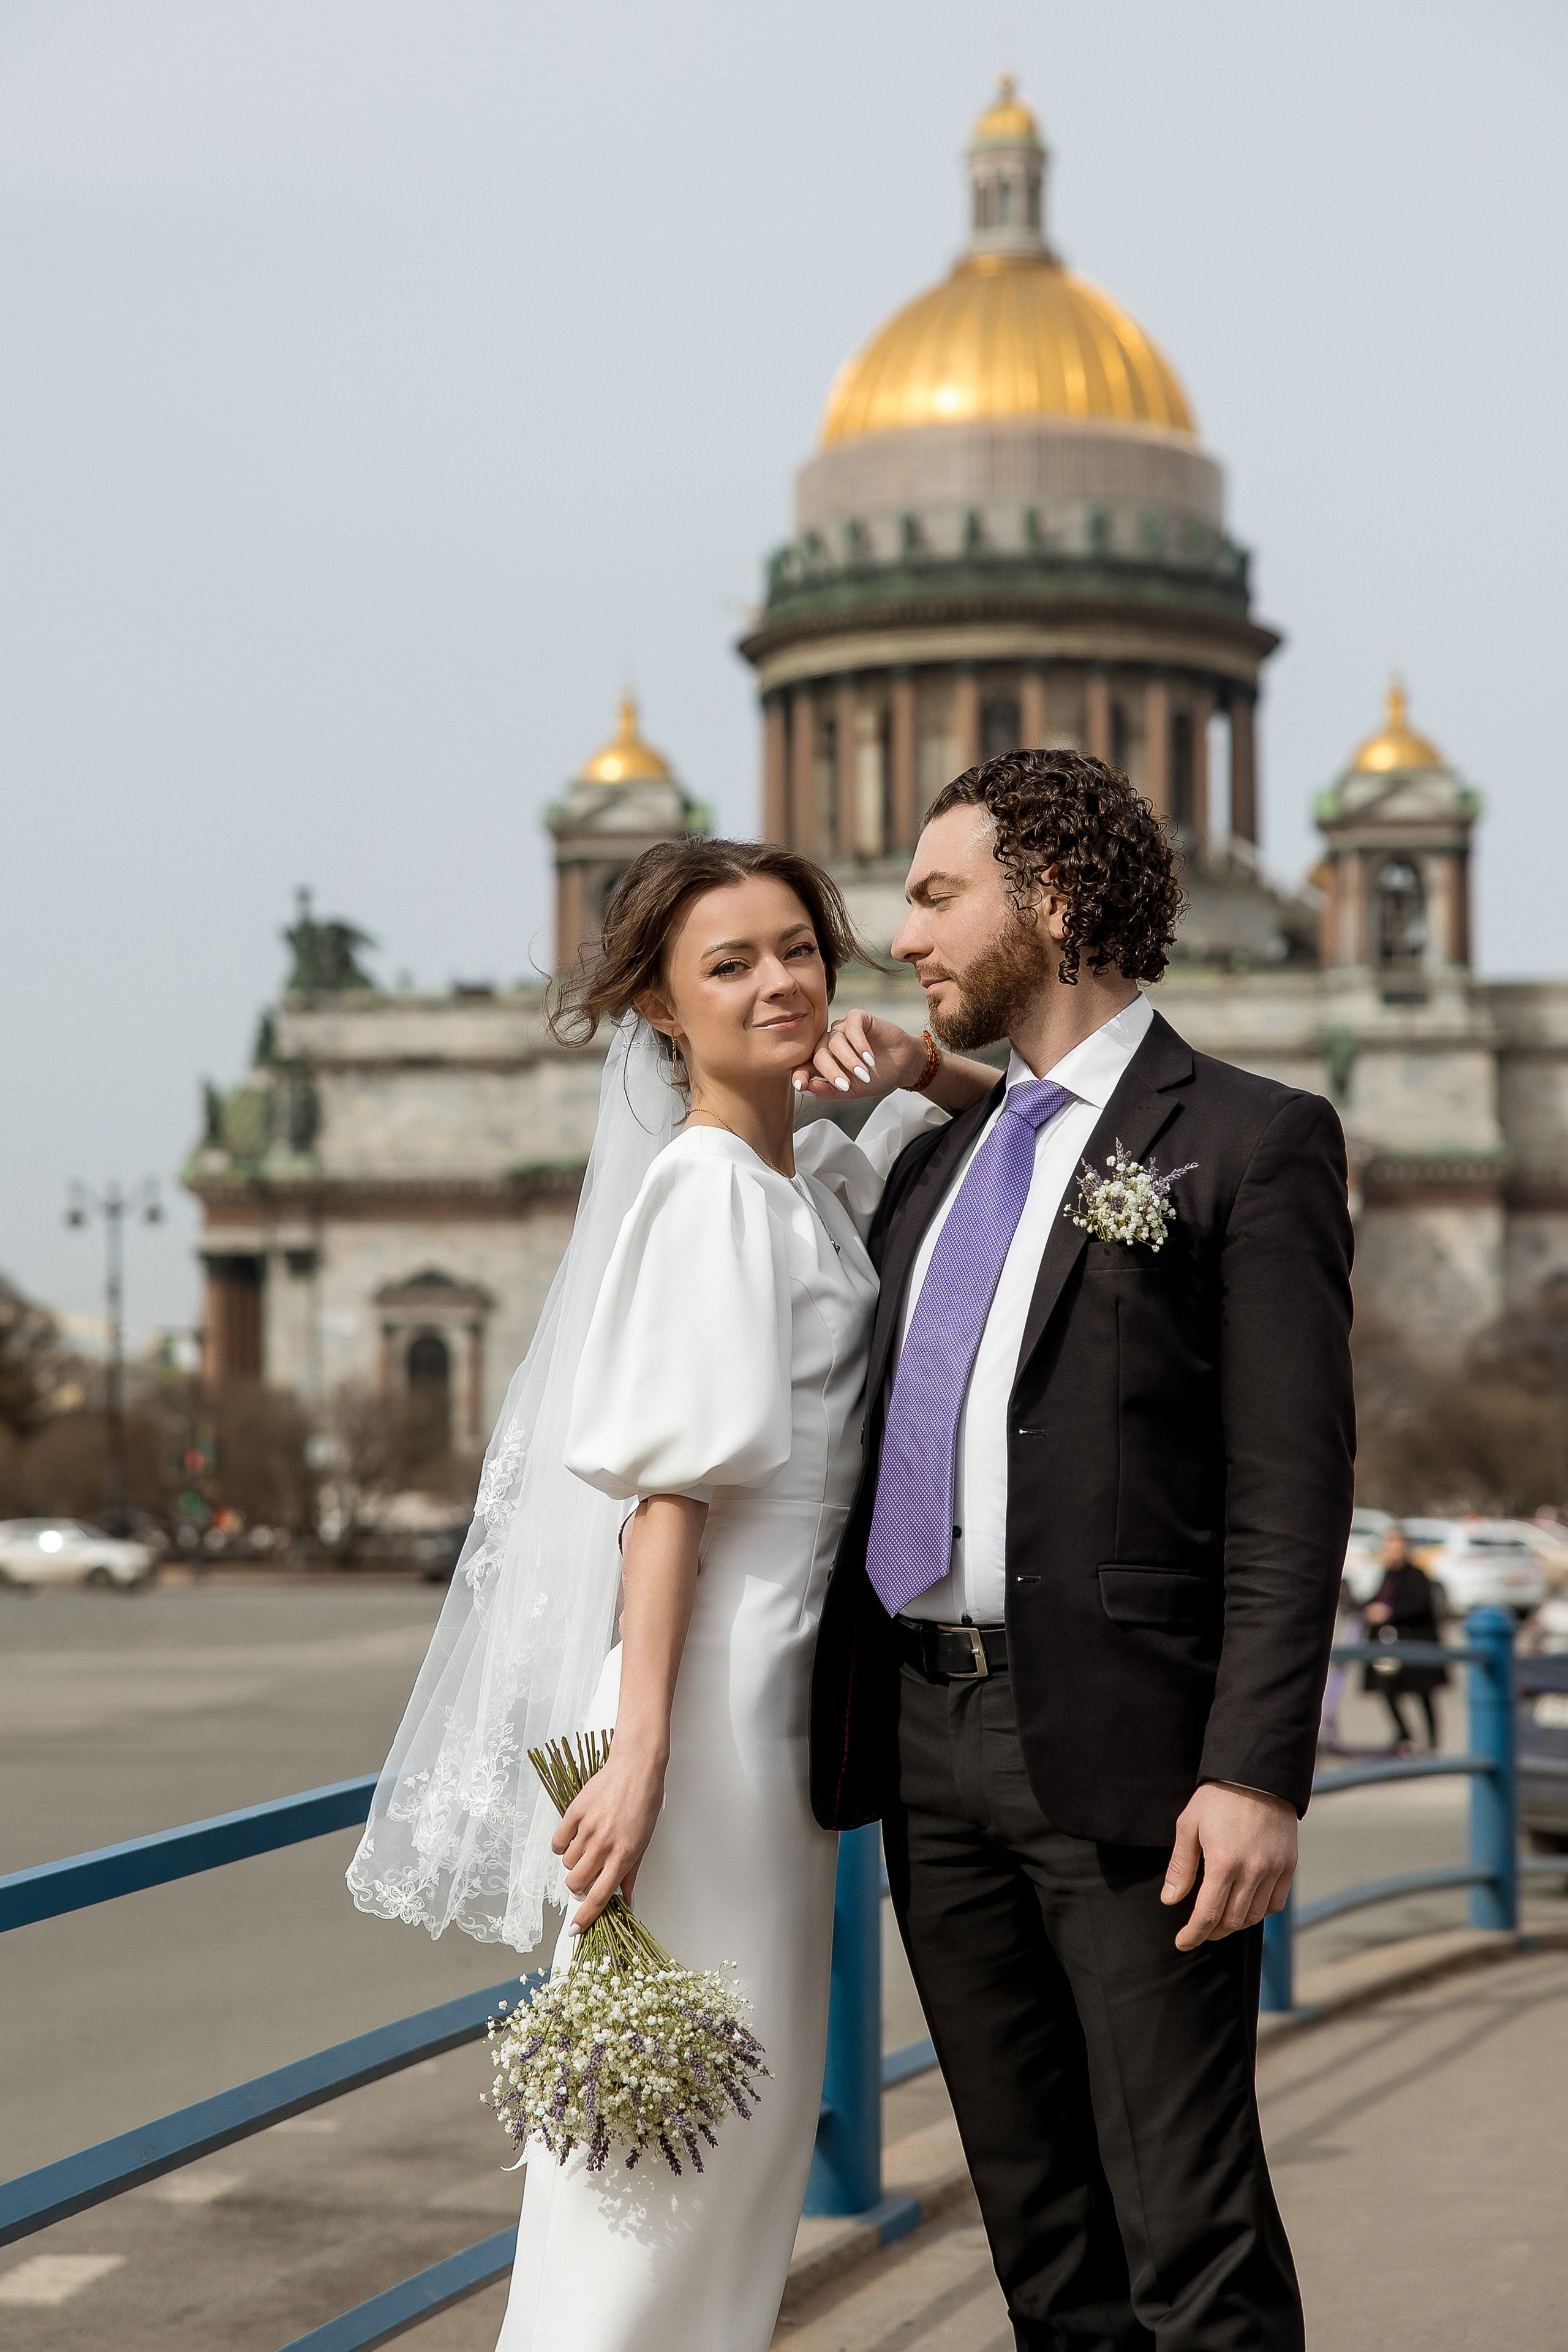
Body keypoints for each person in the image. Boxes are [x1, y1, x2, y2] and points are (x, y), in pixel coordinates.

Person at [347, 835, 995, 2351]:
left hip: (765, 1719)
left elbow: (1025, 1131)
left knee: (724, 2145)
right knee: (659, 2169)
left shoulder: (801, 1176)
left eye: (797, 947)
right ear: (651, 1006)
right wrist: (638, 1751)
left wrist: (922, 1064)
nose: (777, 982)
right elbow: (666, 1500)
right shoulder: (713, 1192)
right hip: (702, 1724)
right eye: (728, 963)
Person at [810, 747, 1357, 2351]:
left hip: (1129, 1753)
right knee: (1042, 2235)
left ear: (1046, 902)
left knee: (1189, 2229)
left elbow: (1290, 1487)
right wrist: (939, 1083)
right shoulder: (945, 1150)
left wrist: (1258, 1773)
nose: (895, 937)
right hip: (924, 1741)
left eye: (932, 898)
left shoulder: (1252, 1141)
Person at [1362, 1525, 1447, 1750]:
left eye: (1398, 1545)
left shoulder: (1417, 1575)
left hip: (1416, 1643)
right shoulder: (1388, 1574)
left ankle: (1432, 1744)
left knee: (1423, 1694)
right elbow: (1377, 1598)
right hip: (1392, 1646)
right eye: (1390, 1546)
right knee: (1388, 1691)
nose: (1393, 1550)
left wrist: (1388, 1612)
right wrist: (1366, 1608)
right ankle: (1404, 1735)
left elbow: (1419, 1605)